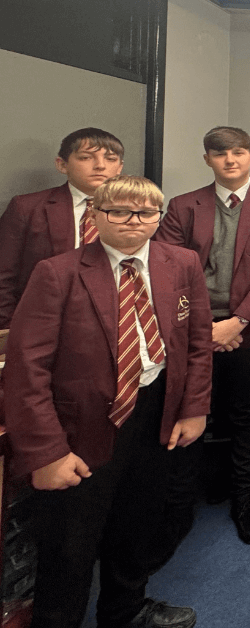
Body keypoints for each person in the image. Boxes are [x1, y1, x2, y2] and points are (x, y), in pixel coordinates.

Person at [4, 175, 210, 628]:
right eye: (119, 211)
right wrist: (46, 452)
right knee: (69, 542)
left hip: (156, 410)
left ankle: (125, 610)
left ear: (159, 217)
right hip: (80, 427)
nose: (133, 222)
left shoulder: (183, 263)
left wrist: (194, 407)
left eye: (145, 213)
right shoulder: (57, 272)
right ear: (96, 216)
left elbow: (196, 341)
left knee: (137, 522)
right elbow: (26, 369)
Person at [155, 126, 250, 545]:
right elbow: (167, 268)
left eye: (238, 153)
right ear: (208, 160)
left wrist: (239, 321)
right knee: (192, 414)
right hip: (194, 332)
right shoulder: (183, 206)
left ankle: (245, 499)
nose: (230, 161)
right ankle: (187, 502)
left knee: (249, 420)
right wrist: (207, 328)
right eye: (220, 154)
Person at [0, 127, 124, 328]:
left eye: (110, 159)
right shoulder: (27, 208)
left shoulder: (139, 212)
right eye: (86, 157)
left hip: (118, 322)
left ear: (119, 168)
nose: (100, 166)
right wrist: (11, 330)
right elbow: (3, 277)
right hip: (45, 322)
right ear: (62, 164)